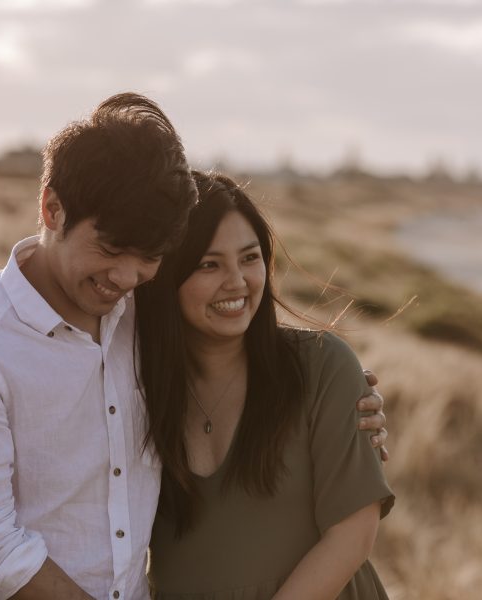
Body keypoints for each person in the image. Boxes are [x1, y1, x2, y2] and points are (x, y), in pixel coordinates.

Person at [0, 94, 389, 600]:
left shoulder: (140, 321)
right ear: (51, 208)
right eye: (110, 250)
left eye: (150, 257)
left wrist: (350, 405)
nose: (126, 278)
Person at [137, 172, 393, 599]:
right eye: (208, 264)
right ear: (168, 277)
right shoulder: (136, 384)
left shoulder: (321, 366)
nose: (237, 281)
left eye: (250, 258)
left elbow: (354, 532)